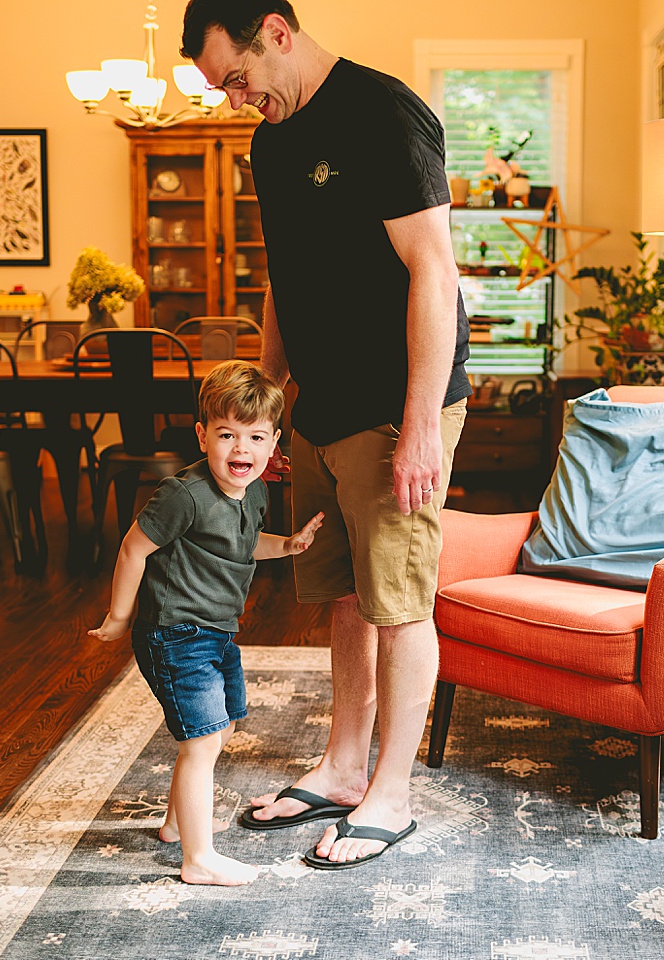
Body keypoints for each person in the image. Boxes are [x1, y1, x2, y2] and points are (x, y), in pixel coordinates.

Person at [182, 1, 473, 869]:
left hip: (395, 405)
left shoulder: (383, 113)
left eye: (236, 78)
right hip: (317, 409)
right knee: (343, 594)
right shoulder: (270, 144)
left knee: (398, 601)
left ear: (276, 31)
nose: (237, 99)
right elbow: (284, 277)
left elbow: (433, 268)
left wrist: (421, 425)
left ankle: (393, 791)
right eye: (221, 90)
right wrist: (268, 404)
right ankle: (345, 766)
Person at [88, 360, 324, 886]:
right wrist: (118, 617)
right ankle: (197, 859)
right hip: (173, 631)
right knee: (202, 739)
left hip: (217, 631)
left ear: (272, 443)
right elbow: (132, 549)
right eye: (226, 435)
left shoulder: (256, 490)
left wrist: (287, 545)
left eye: (255, 437)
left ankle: (177, 825)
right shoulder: (183, 495)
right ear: (202, 435)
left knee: (222, 727)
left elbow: (242, 545)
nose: (241, 449)